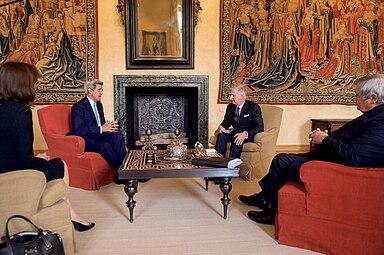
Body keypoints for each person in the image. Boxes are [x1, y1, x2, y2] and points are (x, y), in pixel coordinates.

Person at [238, 74, 384, 225]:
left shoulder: (380, 122)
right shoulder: (374, 116)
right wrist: (327, 137)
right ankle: (264, 197)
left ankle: (270, 210)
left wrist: (324, 140)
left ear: (373, 98)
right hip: (330, 158)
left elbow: (354, 156)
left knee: (282, 161)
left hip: (337, 169)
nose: (355, 99)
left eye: (357, 95)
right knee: (282, 159)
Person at [0, 61, 94, 232]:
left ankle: (72, 214)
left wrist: (34, 159)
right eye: (33, 82)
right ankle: (71, 214)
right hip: (11, 174)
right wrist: (37, 159)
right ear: (22, 83)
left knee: (50, 162)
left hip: (4, 167)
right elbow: (23, 160)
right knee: (60, 163)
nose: (35, 86)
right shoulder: (20, 111)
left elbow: (8, 148)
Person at [70, 79, 126, 170]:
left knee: (118, 136)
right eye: (99, 90)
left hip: (98, 136)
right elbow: (78, 129)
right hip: (86, 140)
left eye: (102, 90)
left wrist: (108, 127)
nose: (102, 92)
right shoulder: (78, 107)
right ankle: (123, 171)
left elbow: (101, 124)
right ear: (90, 90)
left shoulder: (99, 105)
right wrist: (101, 129)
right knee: (104, 145)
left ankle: (126, 169)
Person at [215, 85, 264, 159]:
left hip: (247, 135)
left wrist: (245, 134)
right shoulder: (230, 107)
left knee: (237, 139)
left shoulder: (253, 107)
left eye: (233, 95)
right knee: (221, 136)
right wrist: (221, 127)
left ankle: (232, 166)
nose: (230, 98)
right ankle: (217, 162)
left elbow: (260, 127)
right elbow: (226, 122)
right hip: (235, 133)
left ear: (242, 96)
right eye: (230, 95)